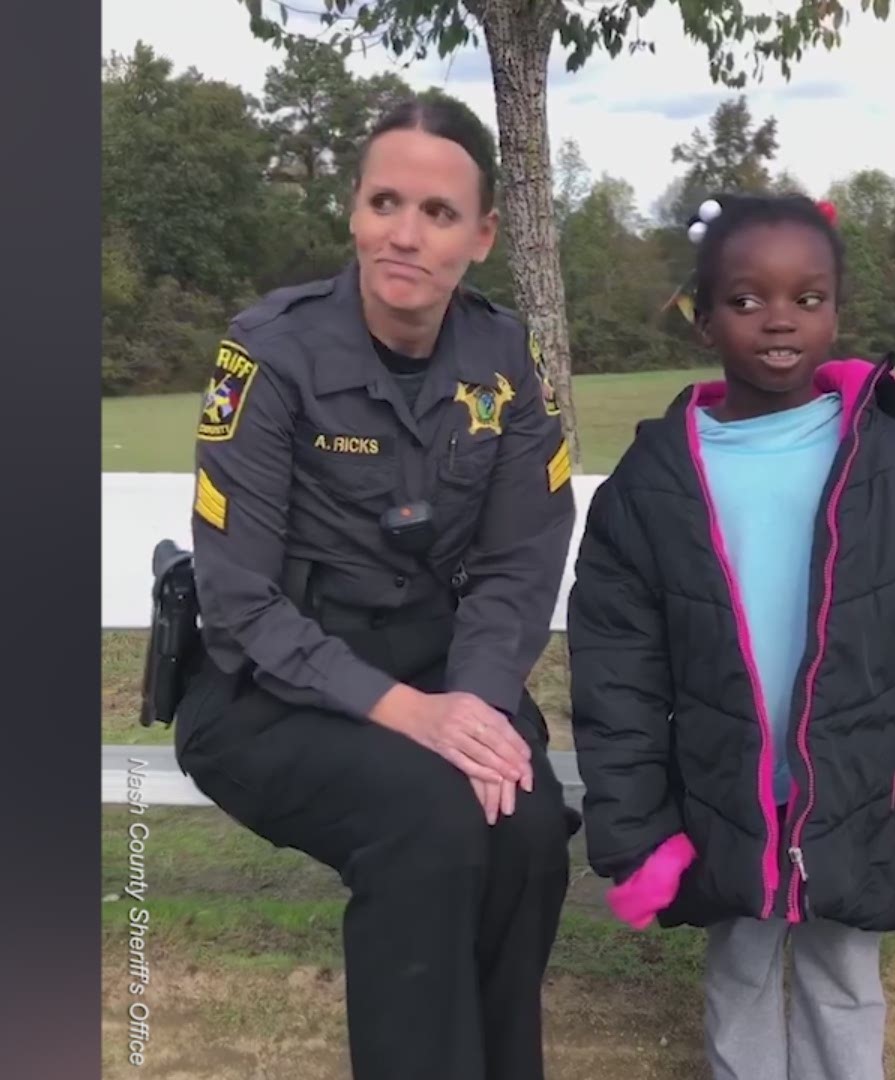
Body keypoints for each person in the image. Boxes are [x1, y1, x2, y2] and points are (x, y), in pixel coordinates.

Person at [174, 93, 577, 1080]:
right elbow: (239, 603)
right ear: (352, 210)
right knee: (431, 823)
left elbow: (522, 558)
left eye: (438, 214)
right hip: (268, 694)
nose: (404, 235)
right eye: (384, 202)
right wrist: (416, 716)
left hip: (442, 674)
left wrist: (477, 708)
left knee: (523, 826)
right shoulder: (269, 356)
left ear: (482, 236)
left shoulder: (503, 360)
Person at [566, 193, 895, 1080]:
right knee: (741, 972)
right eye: (746, 298)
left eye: (808, 299)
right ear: (703, 316)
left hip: (853, 791)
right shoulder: (650, 489)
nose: (779, 320)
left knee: (845, 977)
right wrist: (635, 833)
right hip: (725, 794)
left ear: (838, 309)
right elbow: (618, 679)